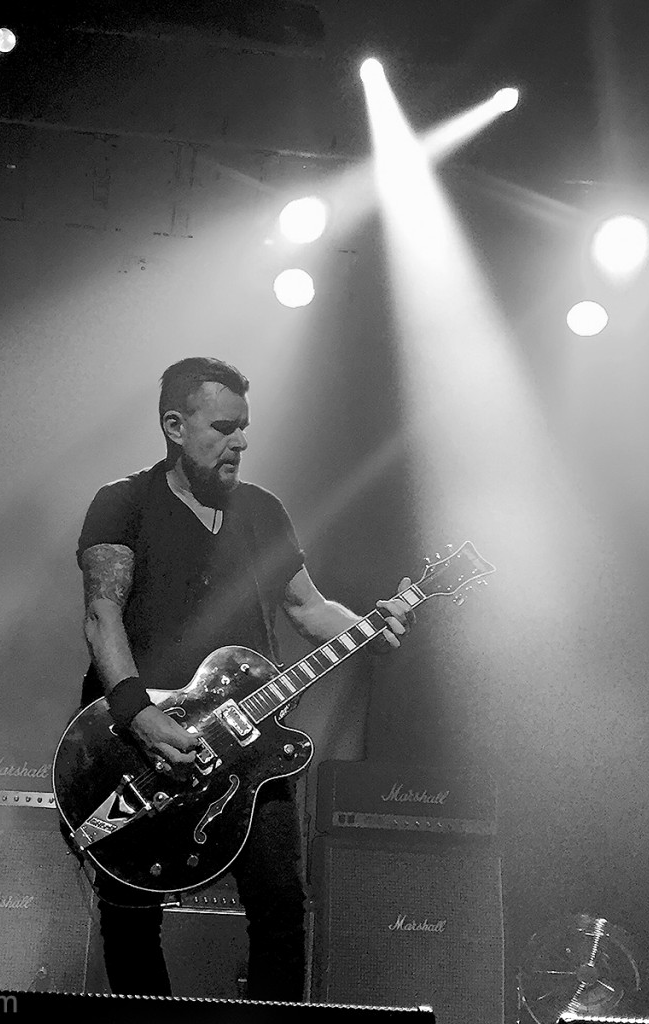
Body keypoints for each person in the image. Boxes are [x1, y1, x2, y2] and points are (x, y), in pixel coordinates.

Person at [75, 356, 413, 1001]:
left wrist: (373, 626)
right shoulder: (122, 503)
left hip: (247, 742)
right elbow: (101, 616)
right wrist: (138, 712)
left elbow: (307, 608)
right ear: (175, 426)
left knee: (281, 903)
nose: (241, 441)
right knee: (131, 910)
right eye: (223, 426)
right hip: (138, 739)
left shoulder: (261, 511)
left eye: (245, 427)